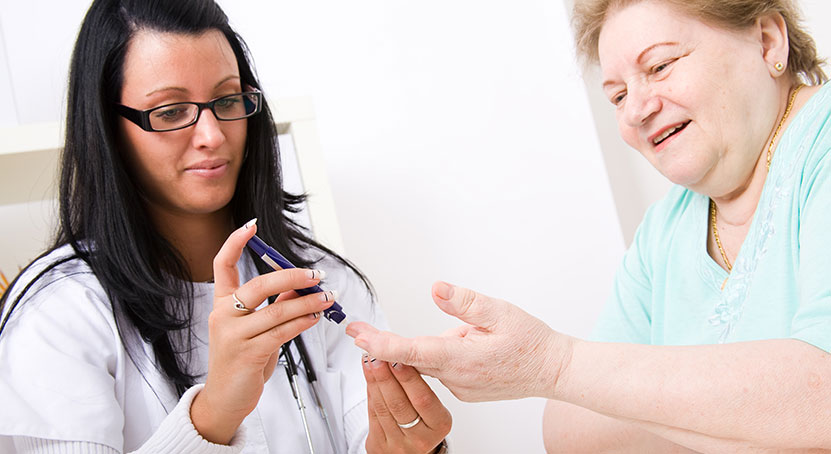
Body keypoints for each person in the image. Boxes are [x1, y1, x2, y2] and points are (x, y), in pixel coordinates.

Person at [346, 0, 831, 451]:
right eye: (618, 96)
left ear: (767, 41)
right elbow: (571, 434)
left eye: (660, 66)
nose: (637, 110)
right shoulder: (666, 228)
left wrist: (557, 365)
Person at [0, 0, 451, 453]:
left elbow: (379, 438)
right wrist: (213, 415)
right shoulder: (55, 317)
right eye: (171, 111)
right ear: (107, 128)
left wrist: (405, 447)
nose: (213, 135)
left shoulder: (323, 282)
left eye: (228, 100)